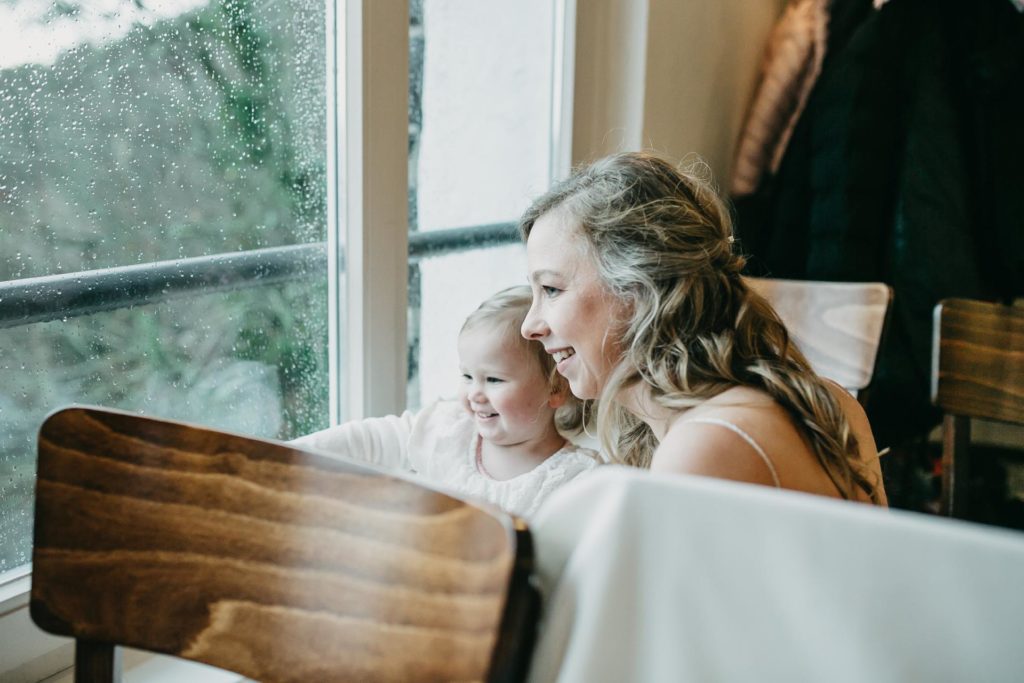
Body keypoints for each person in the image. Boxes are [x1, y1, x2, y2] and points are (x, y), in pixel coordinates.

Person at [519, 151, 887, 505]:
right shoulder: (830, 400)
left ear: (639, 287)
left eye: (551, 289)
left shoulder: (705, 445)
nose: (529, 327)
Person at [292, 285, 601, 519]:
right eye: (467, 377)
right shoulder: (449, 429)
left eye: (493, 380)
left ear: (556, 389)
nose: (474, 394)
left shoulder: (578, 481)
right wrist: (288, 456)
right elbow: (371, 440)